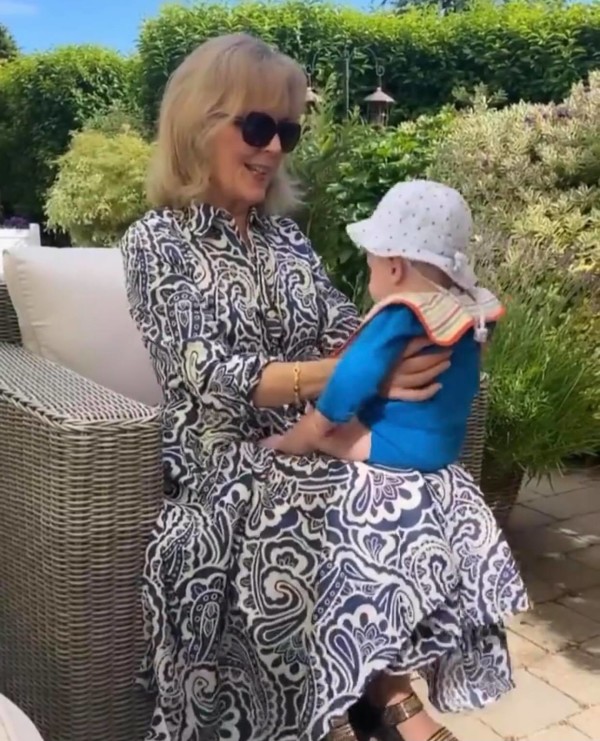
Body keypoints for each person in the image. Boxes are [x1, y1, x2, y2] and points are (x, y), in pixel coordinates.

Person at [120, 33, 529, 741]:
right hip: (225, 460)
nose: (275, 147)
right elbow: (205, 377)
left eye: (288, 131)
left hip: (315, 437)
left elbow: (345, 324)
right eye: (257, 126)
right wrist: (340, 376)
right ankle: (345, 708)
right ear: (197, 124)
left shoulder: (286, 240)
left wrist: (411, 336)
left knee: (433, 491)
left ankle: (379, 686)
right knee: (328, 507)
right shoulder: (157, 242)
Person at [265, 180, 503, 471]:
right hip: (447, 445)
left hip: (395, 442)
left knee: (321, 433)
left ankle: (287, 445)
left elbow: (354, 373)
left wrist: (318, 423)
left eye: (370, 265)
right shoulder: (462, 312)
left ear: (394, 267)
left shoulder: (401, 315)